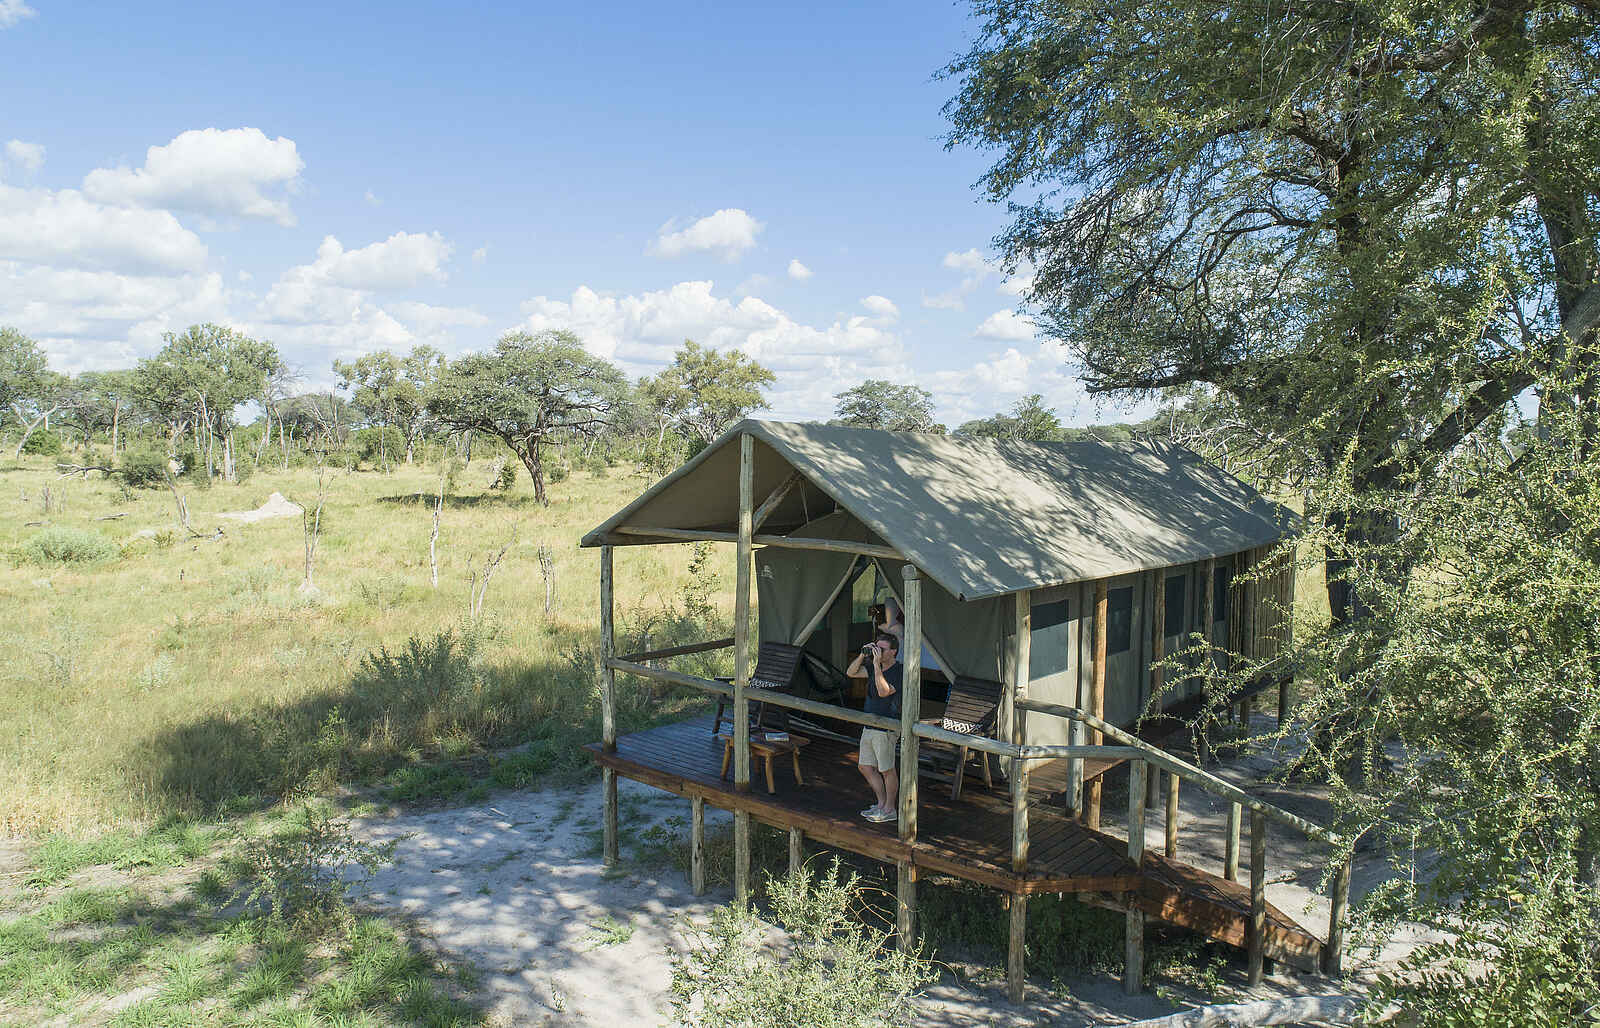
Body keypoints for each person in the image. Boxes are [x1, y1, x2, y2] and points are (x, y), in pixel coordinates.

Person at [848, 632, 902, 822]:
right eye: (876, 648)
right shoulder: (872, 665)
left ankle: (890, 809)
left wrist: (877, 666)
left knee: (887, 769)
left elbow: (883, 691)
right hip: (869, 724)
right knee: (865, 766)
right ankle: (881, 804)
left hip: (886, 726)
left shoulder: (899, 671)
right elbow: (851, 672)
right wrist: (864, 655)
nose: (877, 652)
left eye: (882, 649)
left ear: (893, 652)